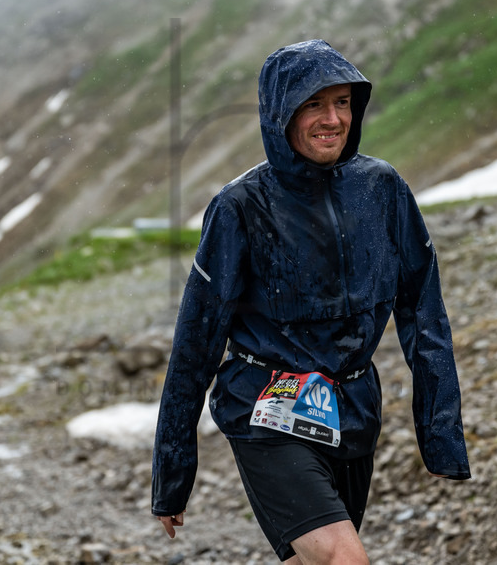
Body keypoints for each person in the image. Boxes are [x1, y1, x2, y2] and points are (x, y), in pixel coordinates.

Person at [152, 39, 470, 563]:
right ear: (281, 114)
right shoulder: (239, 208)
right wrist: (172, 473)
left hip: (352, 410)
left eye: (343, 102)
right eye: (313, 104)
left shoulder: (383, 189)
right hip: (266, 409)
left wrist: (441, 437)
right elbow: (196, 343)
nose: (332, 119)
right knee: (345, 558)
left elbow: (424, 315)